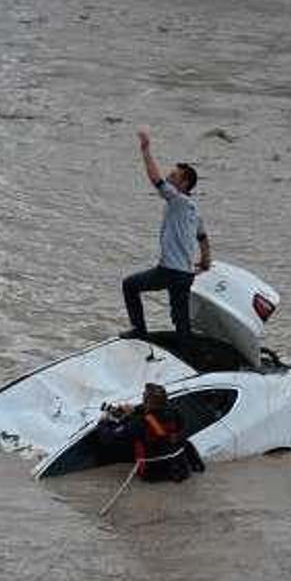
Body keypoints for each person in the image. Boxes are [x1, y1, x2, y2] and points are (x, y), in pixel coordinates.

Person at [122, 126, 212, 339]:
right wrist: (206, 262)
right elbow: (203, 237)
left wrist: (145, 150)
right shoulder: (193, 208)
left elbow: (155, 179)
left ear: (184, 184)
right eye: (170, 174)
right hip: (185, 274)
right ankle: (188, 355)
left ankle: (139, 331)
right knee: (181, 321)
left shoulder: (178, 200)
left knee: (130, 285)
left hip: (169, 271)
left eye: (174, 176)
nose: (169, 178)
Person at [98, 383, 204, 482]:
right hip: (181, 468)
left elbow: (108, 438)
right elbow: (156, 416)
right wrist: (134, 410)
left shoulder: (140, 423)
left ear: (147, 401)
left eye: (144, 396)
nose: (142, 397)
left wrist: (103, 422)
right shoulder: (175, 412)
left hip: (154, 473)